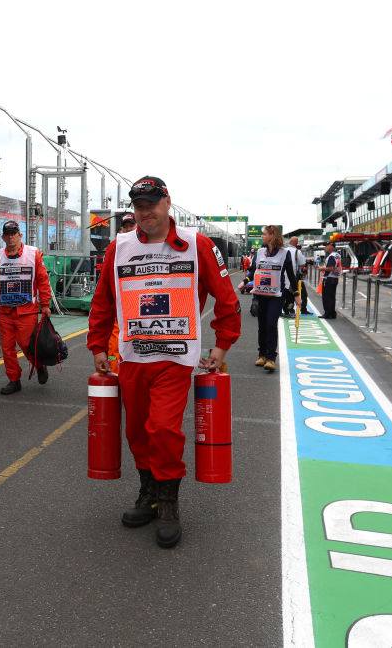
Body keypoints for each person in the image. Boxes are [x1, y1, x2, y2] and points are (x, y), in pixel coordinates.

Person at [88, 176, 241, 549]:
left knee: (162, 428)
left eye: (152, 204)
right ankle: (149, 492)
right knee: (138, 431)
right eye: (139, 206)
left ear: (167, 202)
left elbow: (226, 297)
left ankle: (170, 500)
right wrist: (97, 346)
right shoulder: (118, 248)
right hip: (132, 358)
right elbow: (103, 300)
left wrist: (222, 345)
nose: (145, 212)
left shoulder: (196, 244)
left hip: (177, 358)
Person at [0, 220, 52, 395]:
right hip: (5, 311)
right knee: (7, 348)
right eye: (7, 234)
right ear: (3, 237)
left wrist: (45, 304)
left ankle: (39, 365)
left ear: (20, 235)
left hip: (27, 310)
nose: (11, 237)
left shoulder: (34, 254)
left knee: (27, 344)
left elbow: (42, 281)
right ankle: (14, 380)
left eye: (13, 233)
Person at [239, 225, 300, 373]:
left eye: (264, 234)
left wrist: (296, 295)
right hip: (261, 294)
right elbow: (253, 271)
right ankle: (262, 355)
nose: (262, 237)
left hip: (276, 296)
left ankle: (271, 358)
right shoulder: (260, 252)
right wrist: (245, 282)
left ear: (272, 236)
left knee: (271, 325)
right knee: (262, 326)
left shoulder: (285, 253)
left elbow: (291, 276)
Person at [106, 212, 137, 373]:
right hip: (120, 306)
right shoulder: (115, 248)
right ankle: (114, 375)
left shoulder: (149, 245)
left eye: (131, 225)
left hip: (140, 306)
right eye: (125, 227)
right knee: (114, 342)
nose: (128, 229)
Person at [287, 236, 313, 315]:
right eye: (298, 246)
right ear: (295, 244)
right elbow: (302, 265)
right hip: (295, 276)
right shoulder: (297, 252)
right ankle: (303, 309)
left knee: (288, 293)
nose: (299, 248)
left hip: (285, 276)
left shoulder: (284, 250)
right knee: (302, 293)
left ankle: (290, 310)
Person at [320, 240, 342, 319]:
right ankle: (332, 313)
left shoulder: (332, 256)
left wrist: (322, 268)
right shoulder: (337, 255)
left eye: (326, 246)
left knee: (327, 297)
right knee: (332, 297)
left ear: (331, 246)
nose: (325, 248)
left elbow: (331, 268)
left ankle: (328, 313)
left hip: (329, 278)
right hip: (334, 278)